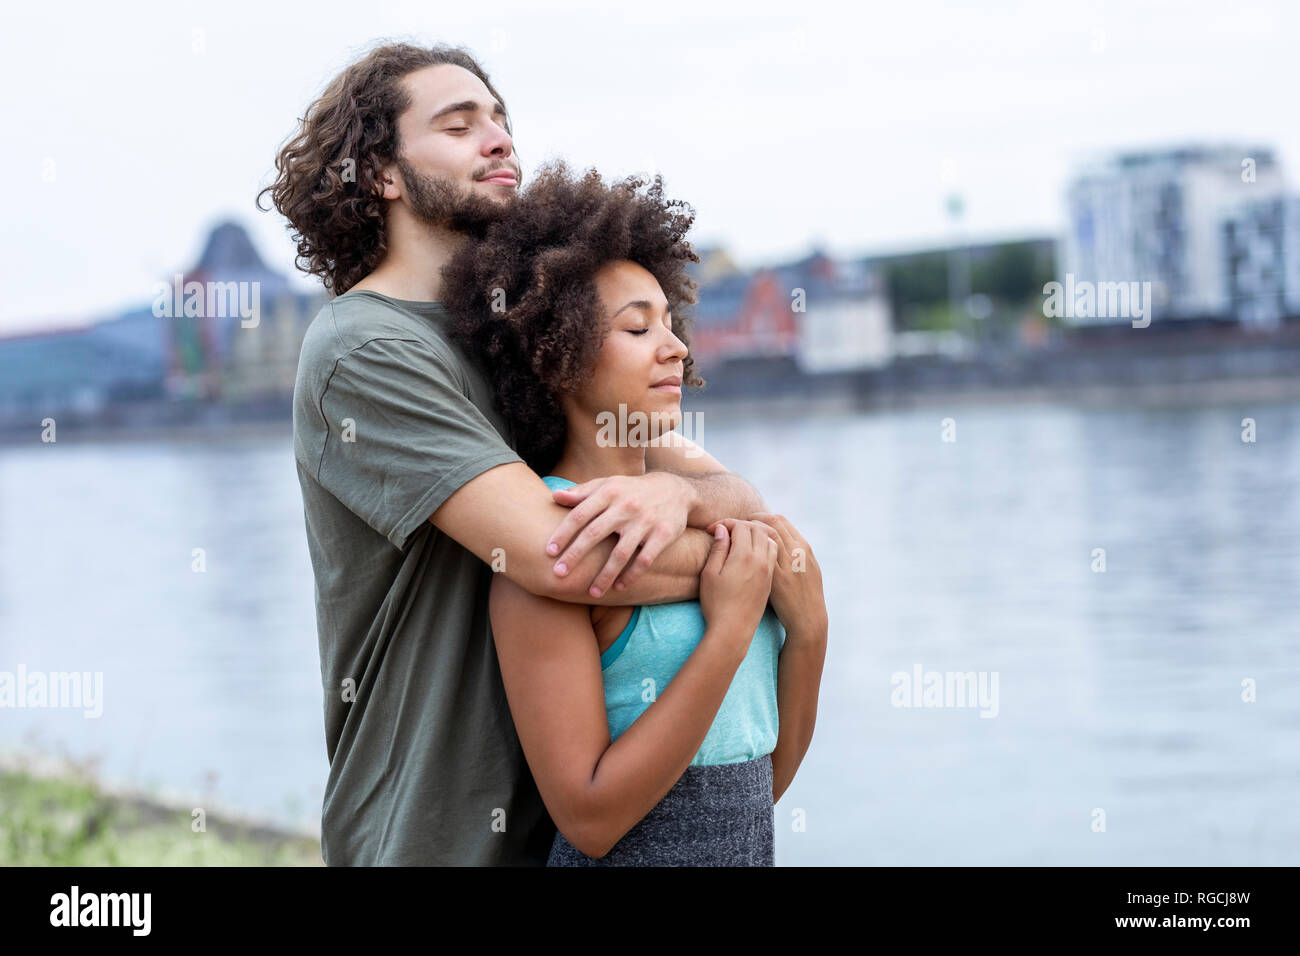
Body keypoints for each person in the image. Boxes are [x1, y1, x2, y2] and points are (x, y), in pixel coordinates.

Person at [259, 42, 771, 865]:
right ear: (381, 174)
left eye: (500, 121)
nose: (498, 140)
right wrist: (751, 570)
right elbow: (558, 558)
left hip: (567, 836)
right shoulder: (365, 350)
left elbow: (735, 492)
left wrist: (687, 501)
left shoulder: (521, 336)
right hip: (433, 838)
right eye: (459, 126)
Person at [440, 159, 830, 865]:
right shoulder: (554, 546)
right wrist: (731, 631)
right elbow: (590, 819)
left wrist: (810, 633)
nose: (675, 346)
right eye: (637, 328)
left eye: (669, 322)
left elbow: (758, 787)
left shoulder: (705, 511)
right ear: (557, 354)